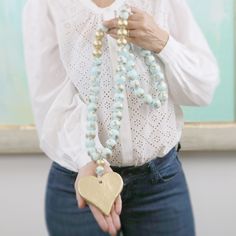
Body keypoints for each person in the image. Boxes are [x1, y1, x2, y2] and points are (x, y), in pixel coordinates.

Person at [22, 0, 219, 235]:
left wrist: (162, 42)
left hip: (160, 184)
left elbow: (202, 89)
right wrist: (88, 159)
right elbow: (51, 98)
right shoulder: (45, 5)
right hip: (80, 183)